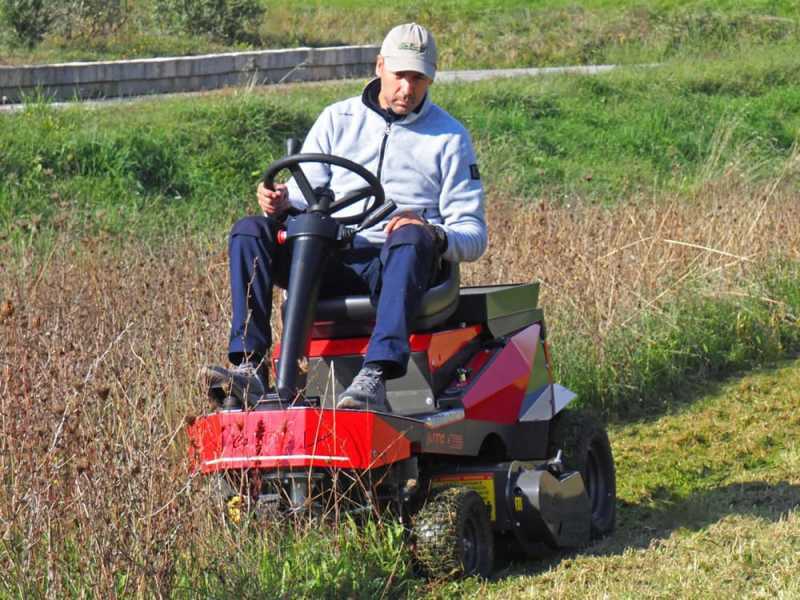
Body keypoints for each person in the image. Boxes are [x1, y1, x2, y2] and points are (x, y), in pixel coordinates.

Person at [203, 23, 487, 410]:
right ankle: (250, 365)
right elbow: (307, 195)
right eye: (400, 75)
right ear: (379, 66)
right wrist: (281, 201)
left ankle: (375, 375)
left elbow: (472, 234)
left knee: (409, 234)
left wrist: (433, 234)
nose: (407, 88)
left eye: (419, 78)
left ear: (431, 78)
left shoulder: (450, 139)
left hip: (399, 263)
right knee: (250, 231)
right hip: (331, 256)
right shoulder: (338, 119)